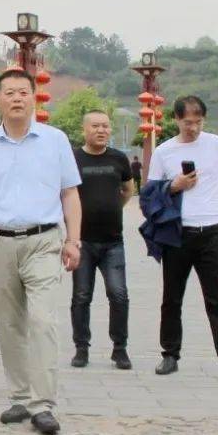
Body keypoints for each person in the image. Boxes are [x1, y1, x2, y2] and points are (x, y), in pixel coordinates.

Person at [0, 69, 82, 435]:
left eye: (23, 92)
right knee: (10, 324)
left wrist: (73, 240)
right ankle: (19, 396)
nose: (17, 98)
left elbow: (70, 194)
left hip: (44, 240)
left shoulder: (55, 141)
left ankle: (43, 404)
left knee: (44, 321)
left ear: (34, 97)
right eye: (9, 93)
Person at [147, 96, 218, 382]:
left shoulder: (217, 144)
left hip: (213, 231)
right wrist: (175, 185)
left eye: (198, 121)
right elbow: (151, 191)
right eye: (187, 122)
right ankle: (170, 354)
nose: (193, 127)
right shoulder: (164, 151)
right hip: (178, 233)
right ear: (176, 119)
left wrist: (208, 198)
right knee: (172, 297)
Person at [70, 111, 134, 370]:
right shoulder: (74, 158)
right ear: (85, 129)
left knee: (119, 295)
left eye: (106, 126)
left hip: (113, 242)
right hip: (82, 241)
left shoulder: (119, 158)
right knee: (81, 296)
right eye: (95, 126)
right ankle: (81, 348)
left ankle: (120, 349)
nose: (101, 130)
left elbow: (128, 189)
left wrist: (113, 206)